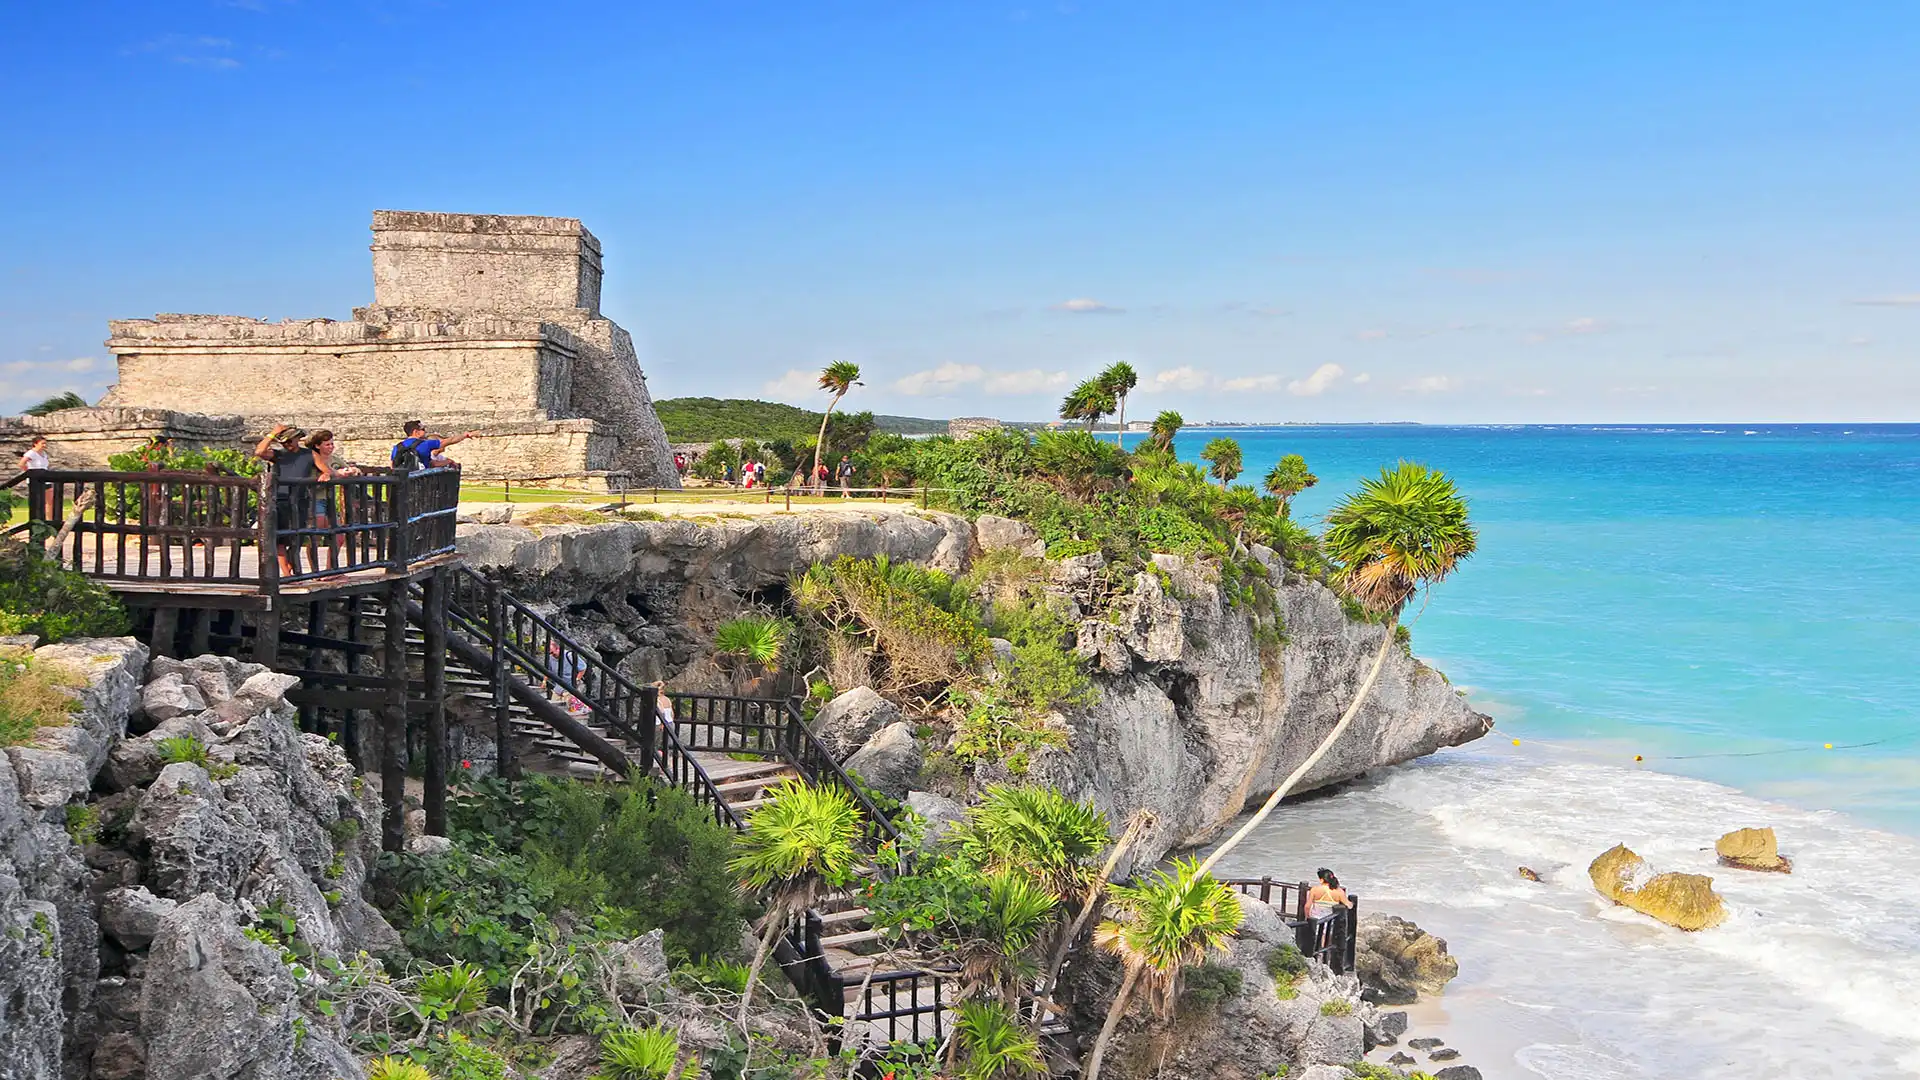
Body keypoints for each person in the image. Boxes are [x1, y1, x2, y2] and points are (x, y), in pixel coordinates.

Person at [254, 423, 317, 575]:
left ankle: (292, 565)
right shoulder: (279, 454)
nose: (287, 444)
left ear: (297, 439)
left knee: (297, 536)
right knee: (279, 538)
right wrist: (273, 434)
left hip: (300, 499)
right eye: (284, 442)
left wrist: (328, 475)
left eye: (290, 441)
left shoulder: (308, 454)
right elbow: (259, 451)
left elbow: (327, 469)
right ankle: (286, 573)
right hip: (280, 499)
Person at [392, 420, 476, 472]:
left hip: (403, 483)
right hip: (421, 482)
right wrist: (465, 435)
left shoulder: (397, 447)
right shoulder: (426, 444)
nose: (425, 432)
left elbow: (393, 465)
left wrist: (448, 462)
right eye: (423, 430)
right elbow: (450, 441)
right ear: (416, 432)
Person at [19, 436, 54, 517]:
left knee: (50, 501)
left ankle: (50, 520)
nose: (44, 445)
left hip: (46, 479)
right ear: (35, 444)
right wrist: (30, 473)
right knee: (38, 501)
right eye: (42, 443)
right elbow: (21, 464)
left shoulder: (44, 454)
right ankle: (37, 519)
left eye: (45, 443)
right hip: (35, 480)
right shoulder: (31, 453)